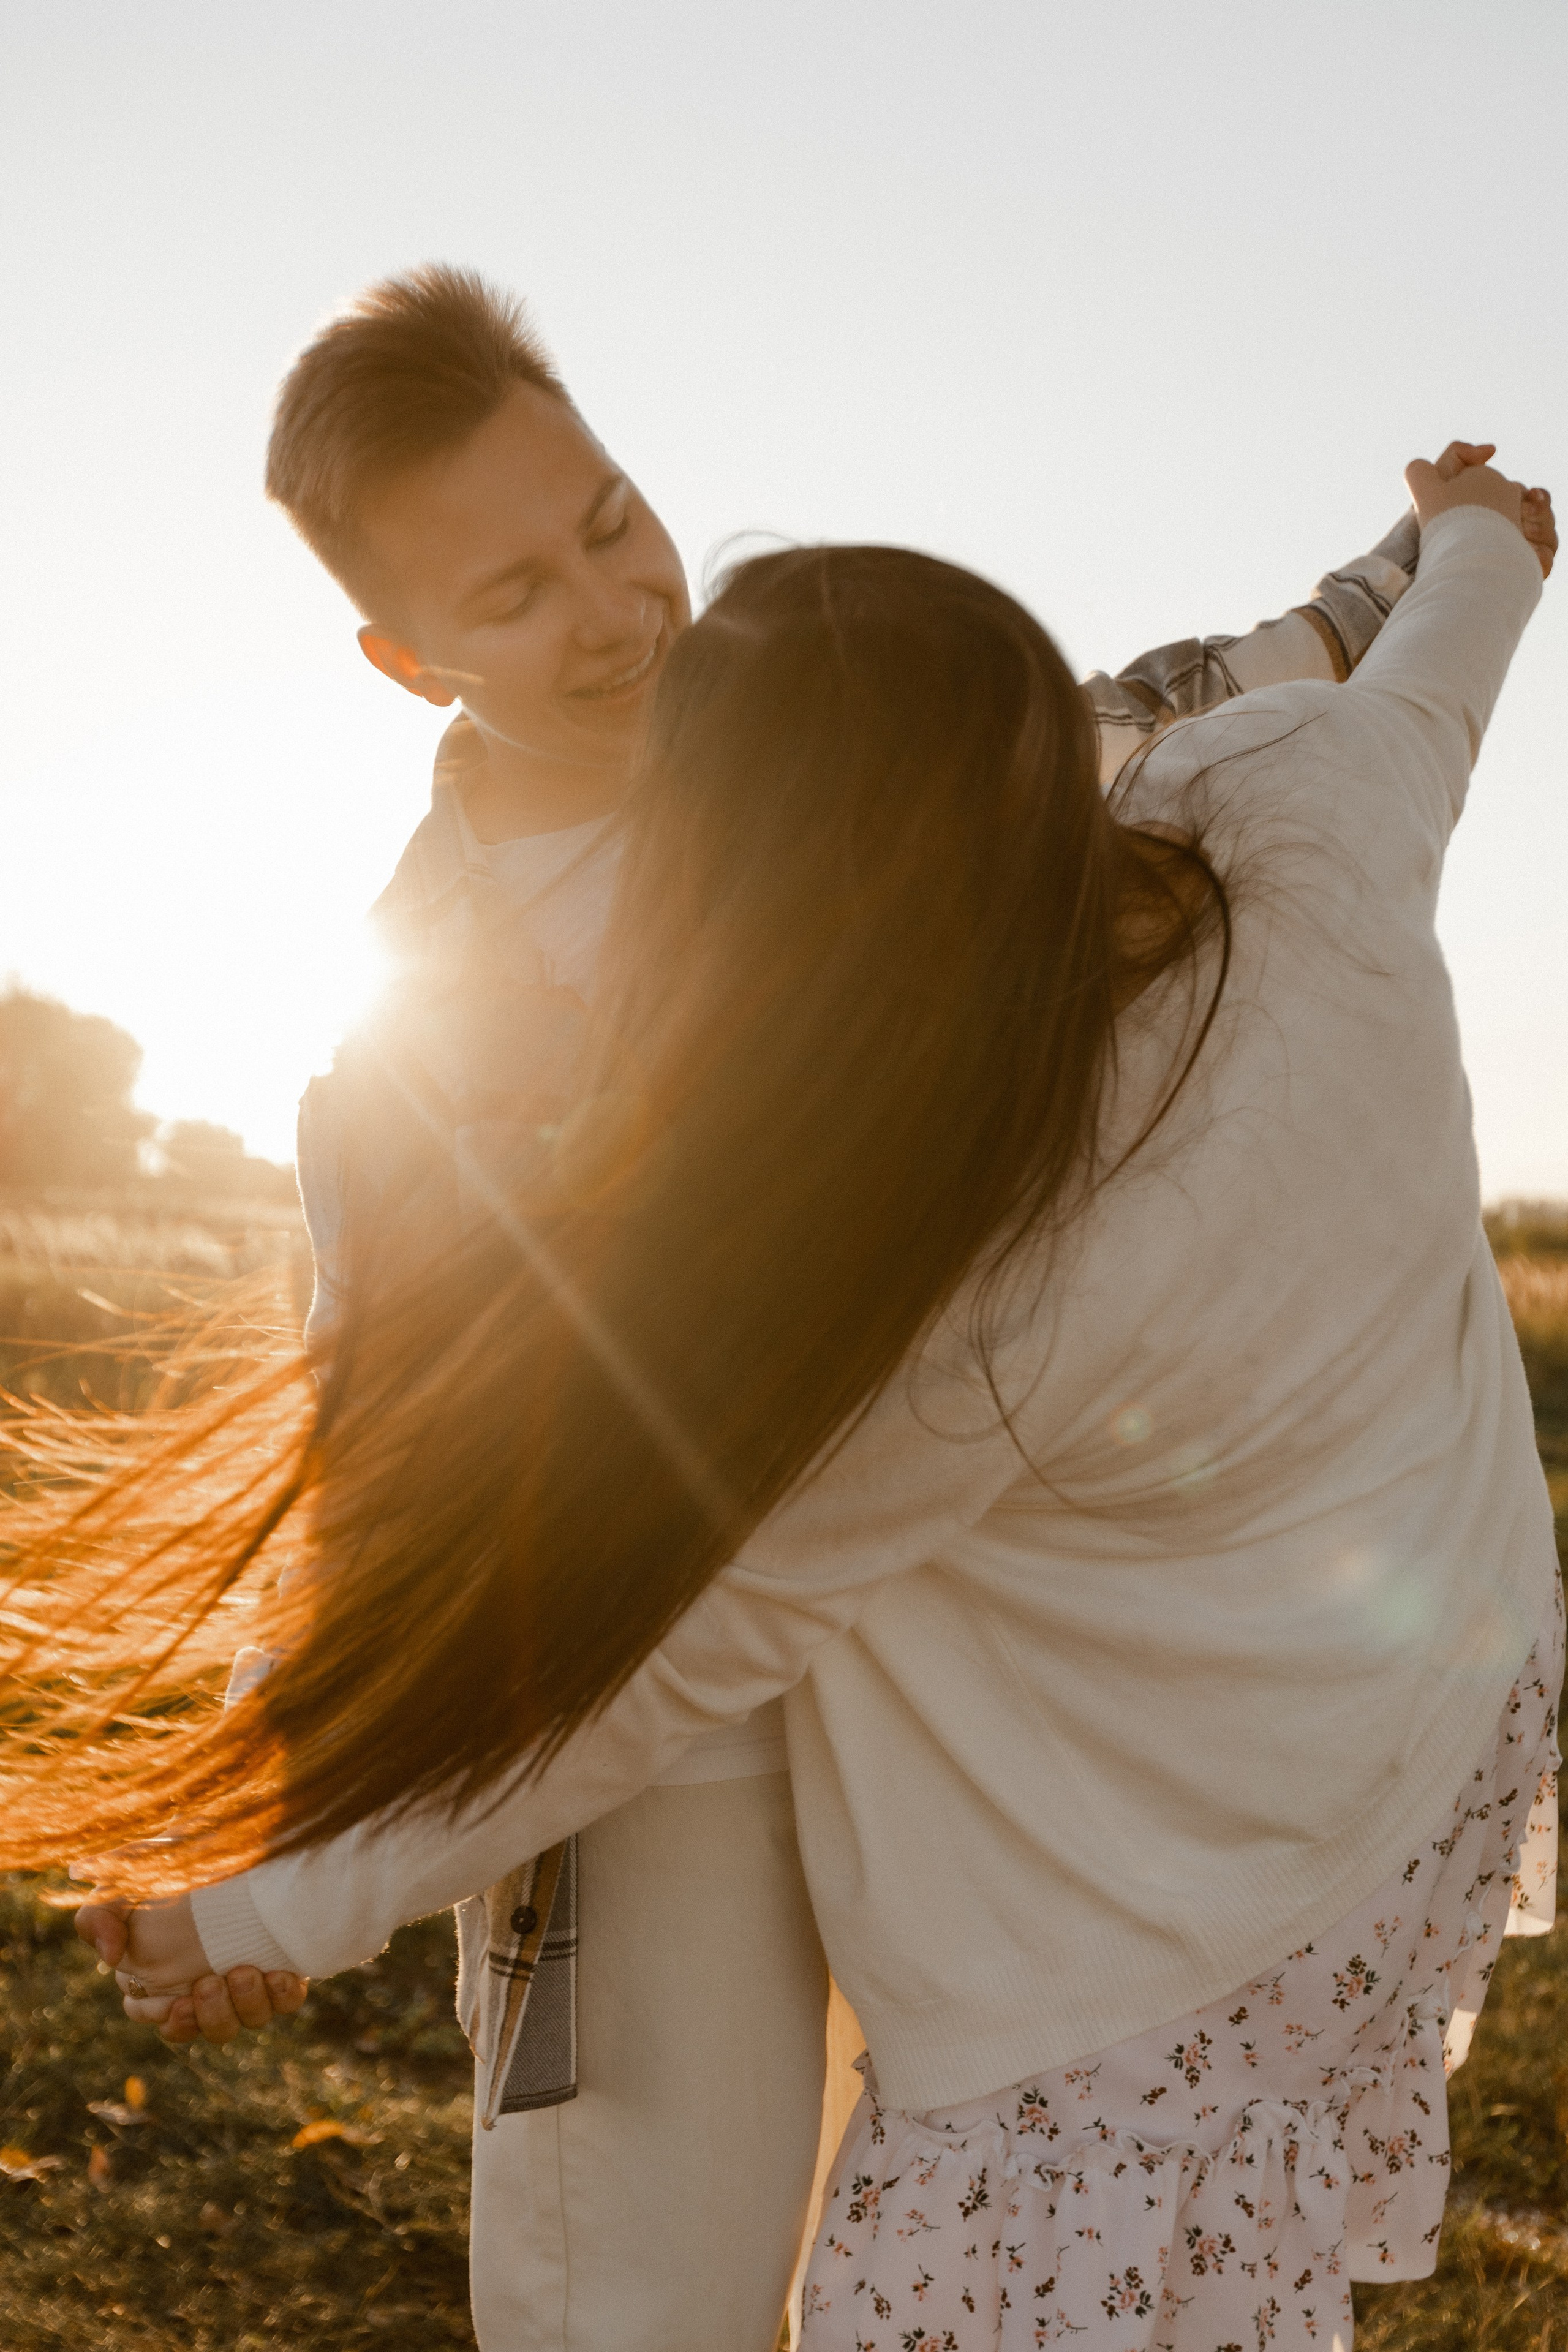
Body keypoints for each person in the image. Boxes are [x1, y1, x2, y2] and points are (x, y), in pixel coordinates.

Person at [62, 265, 1458, 2351]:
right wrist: (315, 1802)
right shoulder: (421, 1012)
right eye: (515, 595)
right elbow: (393, 1427)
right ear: (401, 654)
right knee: (655, 2277)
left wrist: (1427, 547)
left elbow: (1171, 699)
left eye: (611, 519)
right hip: (651, 1705)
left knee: (936, 2221)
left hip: (945, 1639)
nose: (616, 610)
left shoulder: (835, 725)